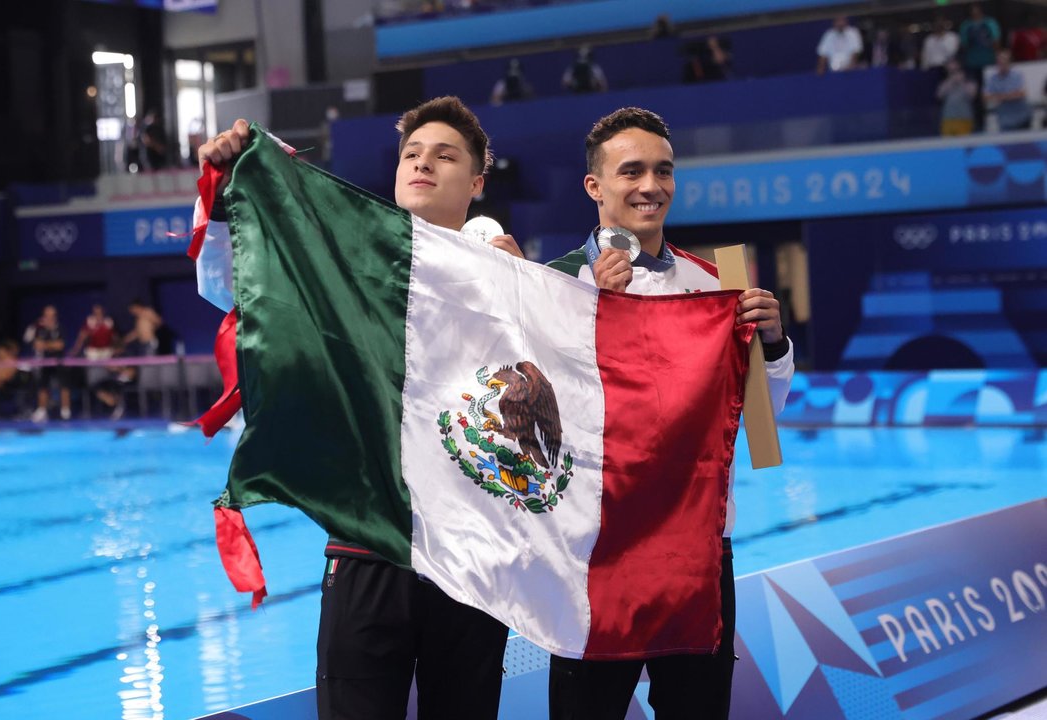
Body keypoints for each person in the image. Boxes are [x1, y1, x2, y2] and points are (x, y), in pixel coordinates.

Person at [195, 97, 514, 719]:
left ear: (476, 183)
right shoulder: (344, 265)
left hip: (472, 560)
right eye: (412, 154)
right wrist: (226, 188)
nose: (423, 164)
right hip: (366, 549)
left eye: (445, 156)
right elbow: (228, 286)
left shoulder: (511, 278)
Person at [542, 107, 794, 719]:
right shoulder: (551, 288)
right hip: (593, 555)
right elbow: (534, 422)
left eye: (663, 171)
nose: (650, 186)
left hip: (697, 552)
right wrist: (589, 313)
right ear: (593, 186)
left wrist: (773, 347)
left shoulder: (715, 287)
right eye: (631, 171)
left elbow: (757, 417)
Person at [23, 304, 72, 422]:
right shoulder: (38, 328)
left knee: (64, 385)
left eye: (52, 316)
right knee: (42, 386)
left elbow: (60, 345)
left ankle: (65, 411)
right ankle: (42, 411)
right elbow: (34, 343)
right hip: (44, 362)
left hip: (59, 362)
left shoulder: (60, 328)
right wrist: (50, 345)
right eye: (47, 316)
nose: (49, 318)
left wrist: (46, 345)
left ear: (55, 317)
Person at [984, 49, 1033, 131]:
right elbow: (986, 97)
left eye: (1005, 62)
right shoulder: (992, 79)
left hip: (1022, 117)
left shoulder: (1017, 75)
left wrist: (1000, 96)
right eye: (1000, 63)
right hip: (1005, 120)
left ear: (1009, 63)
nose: (1002, 65)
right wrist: (1011, 95)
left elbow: (1022, 93)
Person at [937, 60, 978, 136]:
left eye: (955, 69)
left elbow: (972, 95)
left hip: (964, 118)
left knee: (963, 144)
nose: (953, 71)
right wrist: (951, 81)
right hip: (948, 119)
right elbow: (939, 95)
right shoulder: (945, 83)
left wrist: (962, 82)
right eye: (950, 70)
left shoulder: (969, 82)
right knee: (948, 145)